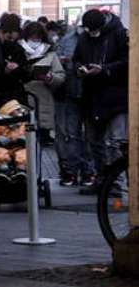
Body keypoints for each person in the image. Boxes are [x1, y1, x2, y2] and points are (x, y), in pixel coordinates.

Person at [73, 9, 129, 195]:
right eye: (88, 30)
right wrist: (79, 68)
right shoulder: (84, 37)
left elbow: (128, 61)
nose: (91, 33)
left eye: (94, 30)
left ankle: (116, 182)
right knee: (94, 141)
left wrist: (105, 69)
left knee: (115, 141)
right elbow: (77, 58)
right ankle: (102, 178)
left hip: (116, 97)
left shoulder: (120, 34)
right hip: (92, 96)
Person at [53, 22, 95, 187]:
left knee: (86, 136)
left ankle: (85, 171)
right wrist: (63, 62)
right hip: (71, 92)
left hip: (89, 93)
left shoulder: (69, 39)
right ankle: (73, 170)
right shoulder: (67, 39)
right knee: (71, 134)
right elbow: (57, 62)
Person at [19, 21, 65, 141]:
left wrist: (50, 78)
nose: (34, 40)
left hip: (43, 101)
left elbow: (60, 76)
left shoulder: (50, 54)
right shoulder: (18, 51)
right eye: (32, 37)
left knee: (40, 142)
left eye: (38, 37)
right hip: (22, 99)